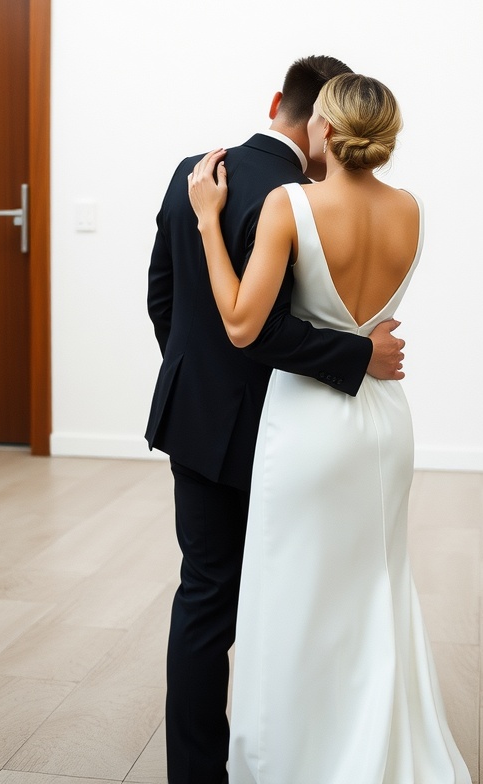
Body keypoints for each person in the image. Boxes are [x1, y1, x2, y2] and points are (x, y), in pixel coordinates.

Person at [187, 72, 472, 784]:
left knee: (293, 594)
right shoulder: (411, 209)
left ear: (323, 129)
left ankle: (300, 758)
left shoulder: (292, 203)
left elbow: (242, 323)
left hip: (310, 424)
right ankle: (375, 749)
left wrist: (206, 223)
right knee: (375, 589)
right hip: (384, 422)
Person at [146, 56, 408, 784]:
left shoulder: (193, 170)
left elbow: (161, 295)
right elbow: (265, 331)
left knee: (203, 596)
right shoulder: (305, 198)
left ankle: (195, 773)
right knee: (288, 597)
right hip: (281, 432)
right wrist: (358, 354)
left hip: (194, 423)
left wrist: (196, 383)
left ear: (274, 102)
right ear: (327, 122)